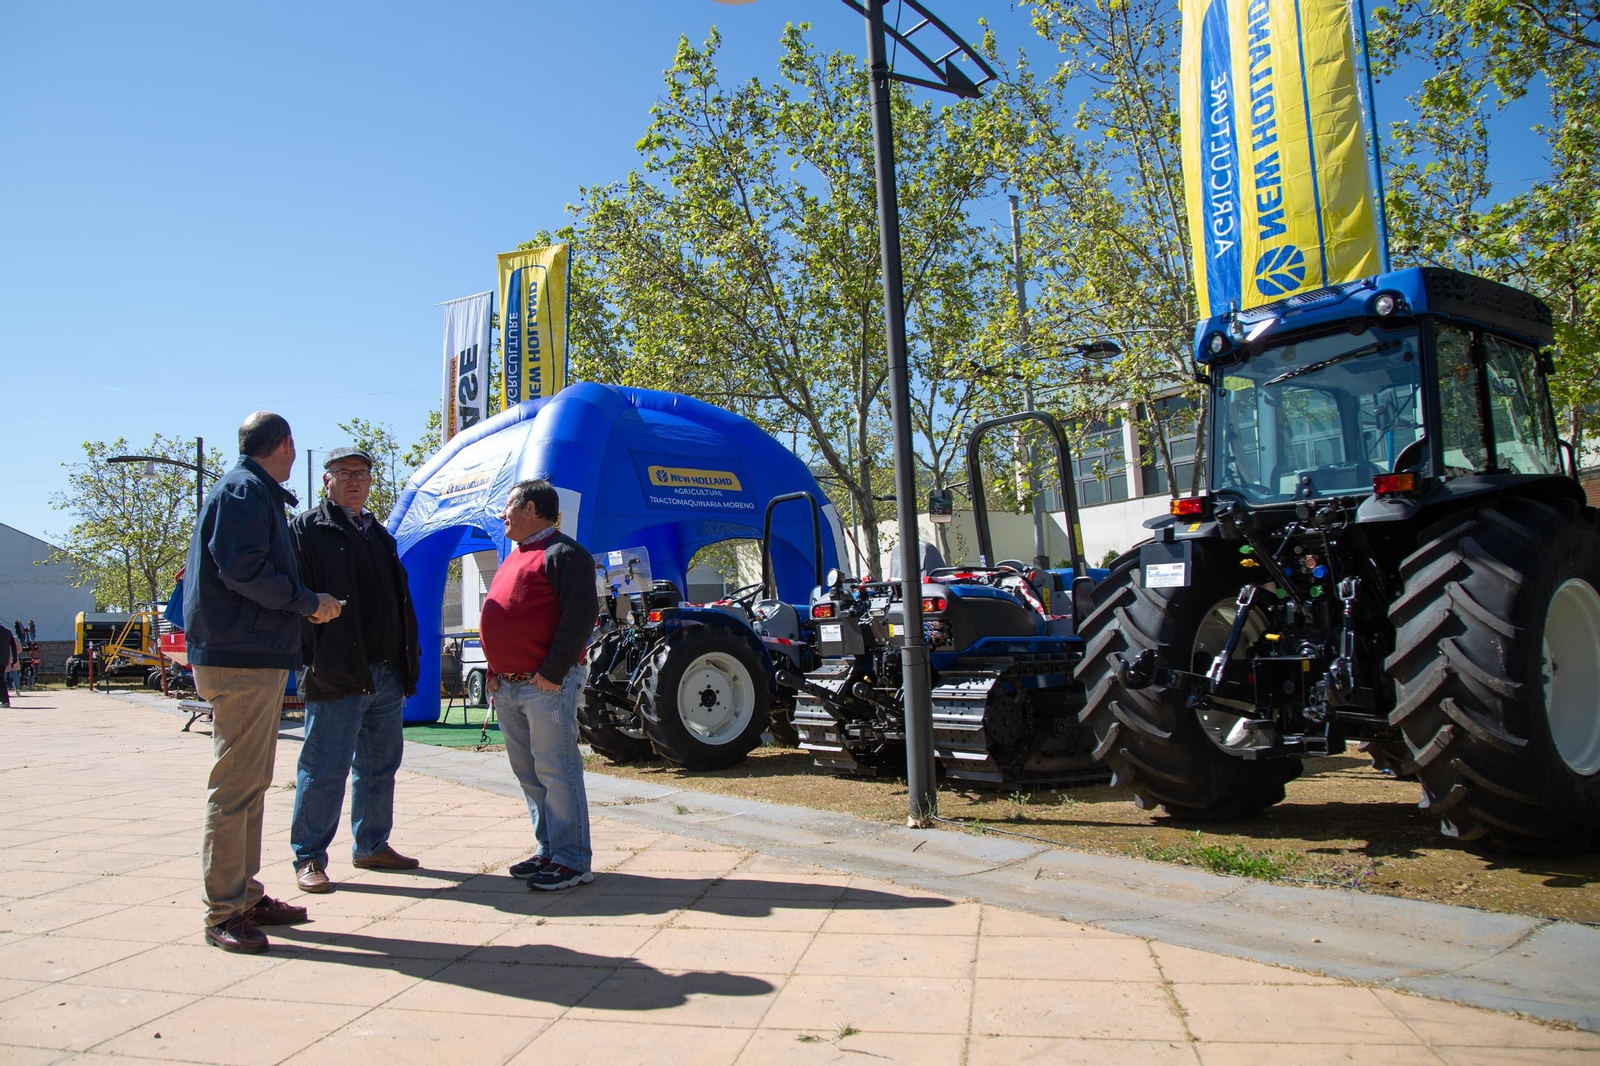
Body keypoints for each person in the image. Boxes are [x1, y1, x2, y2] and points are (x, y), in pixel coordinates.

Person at [185, 411, 342, 953]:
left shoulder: (250, 491)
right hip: (242, 657)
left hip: (251, 654)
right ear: (286, 444)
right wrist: (308, 602)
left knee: (249, 785)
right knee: (236, 788)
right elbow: (243, 569)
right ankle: (224, 910)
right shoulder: (244, 492)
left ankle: (244, 895)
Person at [286, 446, 422, 893]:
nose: (354, 481)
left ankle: (371, 845)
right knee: (323, 768)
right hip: (335, 671)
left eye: (361, 473)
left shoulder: (380, 535)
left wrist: (407, 661)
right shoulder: (306, 529)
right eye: (344, 473)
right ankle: (309, 857)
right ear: (326, 480)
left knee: (380, 767)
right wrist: (312, 650)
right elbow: (292, 596)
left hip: (386, 673)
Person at [481, 479, 599, 890]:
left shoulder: (565, 553)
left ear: (529, 508)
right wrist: (495, 671)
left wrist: (552, 672)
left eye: (508, 506)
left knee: (556, 768)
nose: (503, 514)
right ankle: (549, 848)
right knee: (529, 773)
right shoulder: (516, 555)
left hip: (546, 684)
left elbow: (581, 615)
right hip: (509, 686)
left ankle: (572, 859)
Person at [0, 625, 18, 708]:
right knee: (1, 678)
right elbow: (14, 646)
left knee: (1, 680)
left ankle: (5, 700)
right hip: (4, 659)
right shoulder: (7, 631)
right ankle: (4, 700)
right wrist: (15, 659)